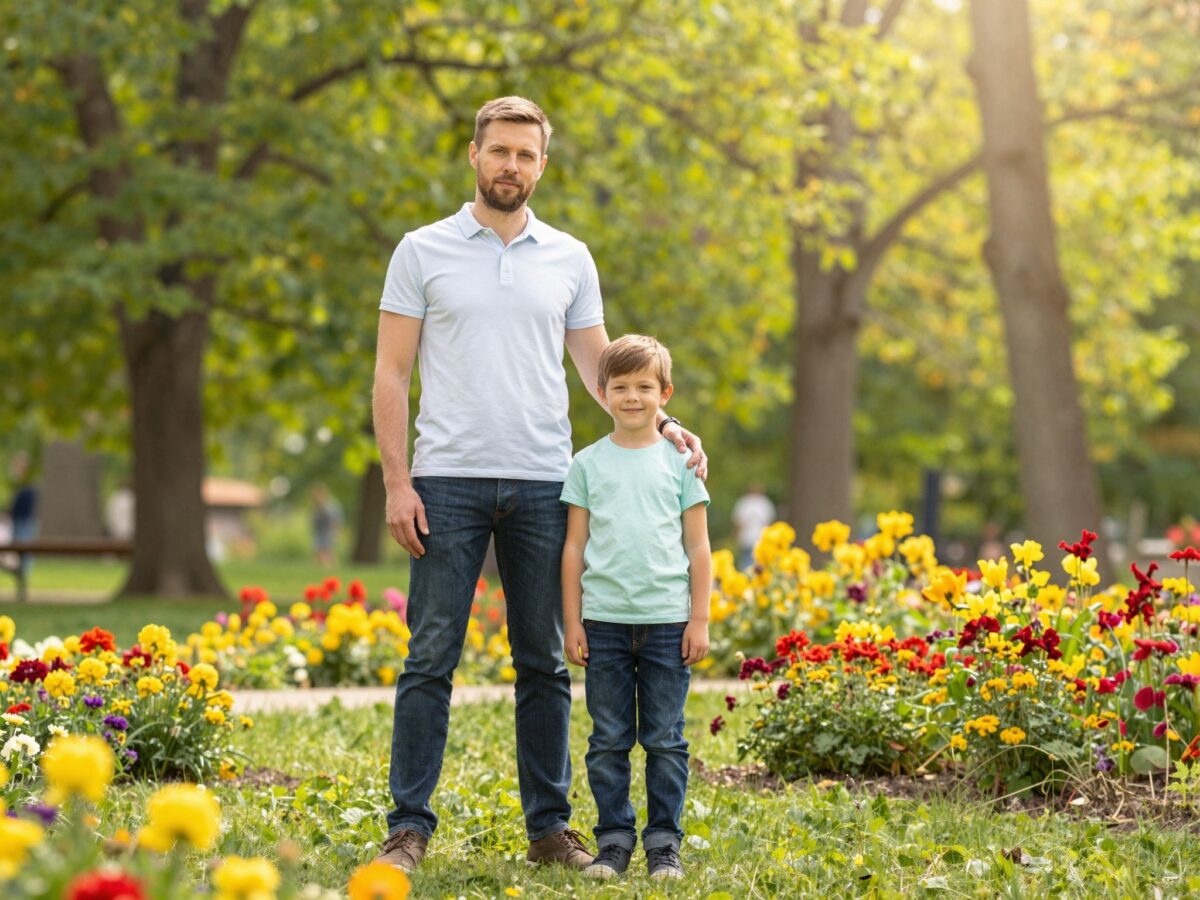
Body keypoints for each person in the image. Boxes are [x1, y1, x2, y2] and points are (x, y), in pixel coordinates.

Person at [371, 97, 706, 874]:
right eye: (499, 151)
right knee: (430, 658)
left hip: (545, 481)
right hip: (444, 479)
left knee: (545, 663)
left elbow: (602, 372)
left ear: (542, 164)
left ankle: (550, 831)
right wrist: (398, 482)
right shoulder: (421, 250)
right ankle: (407, 830)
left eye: (526, 155)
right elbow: (391, 372)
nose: (511, 166)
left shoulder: (570, 258)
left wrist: (666, 424)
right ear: (474, 154)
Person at [561, 335, 711, 880]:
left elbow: (699, 548)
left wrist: (699, 618)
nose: (631, 397)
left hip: (668, 623)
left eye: (643, 387)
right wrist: (573, 620)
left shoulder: (680, 465)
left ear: (664, 393)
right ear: (601, 394)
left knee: (666, 740)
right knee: (608, 740)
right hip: (603, 625)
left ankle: (664, 844)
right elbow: (574, 548)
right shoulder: (586, 464)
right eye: (619, 387)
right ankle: (614, 841)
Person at [731, 482, 775, 570]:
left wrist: (735, 537)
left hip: (748, 539)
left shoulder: (744, 503)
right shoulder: (765, 503)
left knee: (746, 563)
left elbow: (738, 523)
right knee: (757, 564)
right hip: (757, 539)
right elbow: (769, 523)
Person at [311, 484, 342, 567]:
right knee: (319, 551)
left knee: (327, 551)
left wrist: (336, 532)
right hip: (320, 532)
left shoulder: (330, 505)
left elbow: (335, 520)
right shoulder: (317, 506)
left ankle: (328, 568)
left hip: (328, 532)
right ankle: (321, 568)